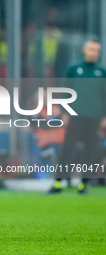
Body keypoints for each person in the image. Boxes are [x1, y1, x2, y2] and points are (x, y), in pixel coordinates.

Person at [48, 38, 106, 194]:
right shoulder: (74, 68)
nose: (94, 53)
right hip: (75, 116)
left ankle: (84, 184)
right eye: (91, 49)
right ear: (84, 50)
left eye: (97, 51)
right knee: (67, 149)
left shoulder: (102, 72)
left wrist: (104, 117)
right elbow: (66, 91)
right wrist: (65, 112)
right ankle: (58, 183)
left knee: (90, 151)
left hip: (94, 117)